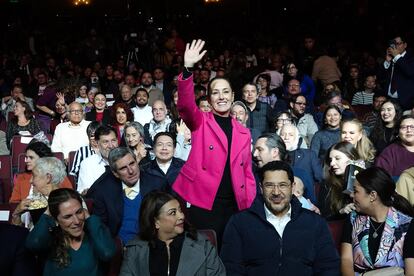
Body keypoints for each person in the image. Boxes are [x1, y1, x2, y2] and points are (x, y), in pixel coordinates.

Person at [173, 39, 256, 246]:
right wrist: (188, 68)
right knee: (204, 254)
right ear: (209, 99)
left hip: (235, 204)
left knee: (232, 254)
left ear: (233, 96)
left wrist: (249, 202)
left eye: (226, 92)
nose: (221, 97)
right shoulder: (200, 120)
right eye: (215, 93)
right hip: (204, 202)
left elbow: (247, 171)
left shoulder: (244, 132)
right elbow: (184, 105)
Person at [220, 161, 340, 275]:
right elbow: (231, 268)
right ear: (261, 188)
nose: (276, 192)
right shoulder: (239, 223)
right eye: (269, 185)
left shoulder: (315, 223)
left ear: (292, 187)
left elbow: (328, 268)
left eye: (282, 185)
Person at [120, 191, 226, 276]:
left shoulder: (203, 245)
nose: (181, 216)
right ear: (156, 222)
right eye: (173, 213)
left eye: (180, 210)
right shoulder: (134, 250)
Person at [341, 167, 414, 275]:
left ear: (372, 196)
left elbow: (411, 271)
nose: (351, 195)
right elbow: (346, 260)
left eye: (356, 191)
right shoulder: (352, 219)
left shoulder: (407, 225)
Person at [26, 188, 116, 275]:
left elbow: (107, 253)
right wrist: (47, 214)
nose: (77, 221)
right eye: (67, 217)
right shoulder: (49, 239)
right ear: (55, 219)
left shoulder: (96, 233)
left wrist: (89, 218)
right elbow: (33, 243)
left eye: (79, 212)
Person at [86, 147, 165, 244]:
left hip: (151, 245)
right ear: (115, 174)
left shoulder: (157, 184)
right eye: (123, 168)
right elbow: (101, 230)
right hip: (120, 249)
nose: (131, 171)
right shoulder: (102, 192)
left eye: (132, 164)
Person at [11, 157, 69, 228]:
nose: (30, 181)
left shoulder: (70, 200)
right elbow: (19, 233)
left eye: (34, 176)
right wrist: (16, 214)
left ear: (48, 178)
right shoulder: (33, 200)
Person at [317, 142, 363, 220]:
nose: (332, 163)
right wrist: (341, 211)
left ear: (352, 158)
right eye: (330, 160)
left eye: (337, 158)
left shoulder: (366, 179)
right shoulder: (327, 184)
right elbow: (324, 215)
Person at [77, 125, 119, 194]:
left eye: (113, 141)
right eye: (105, 142)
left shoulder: (125, 160)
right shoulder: (87, 164)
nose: (111, 146)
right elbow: (85, 192)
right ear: (97, 143)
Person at [382, 35, 414, 111]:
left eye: (398, 44)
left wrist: (397, 56)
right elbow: (381, 77)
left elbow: (409, 72)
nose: (395, 46)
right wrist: (387, 61)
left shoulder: (411, 58)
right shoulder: (391, 57)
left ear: (405, 45)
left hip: (405, 101)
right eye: (394, 44)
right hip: (389, 98)